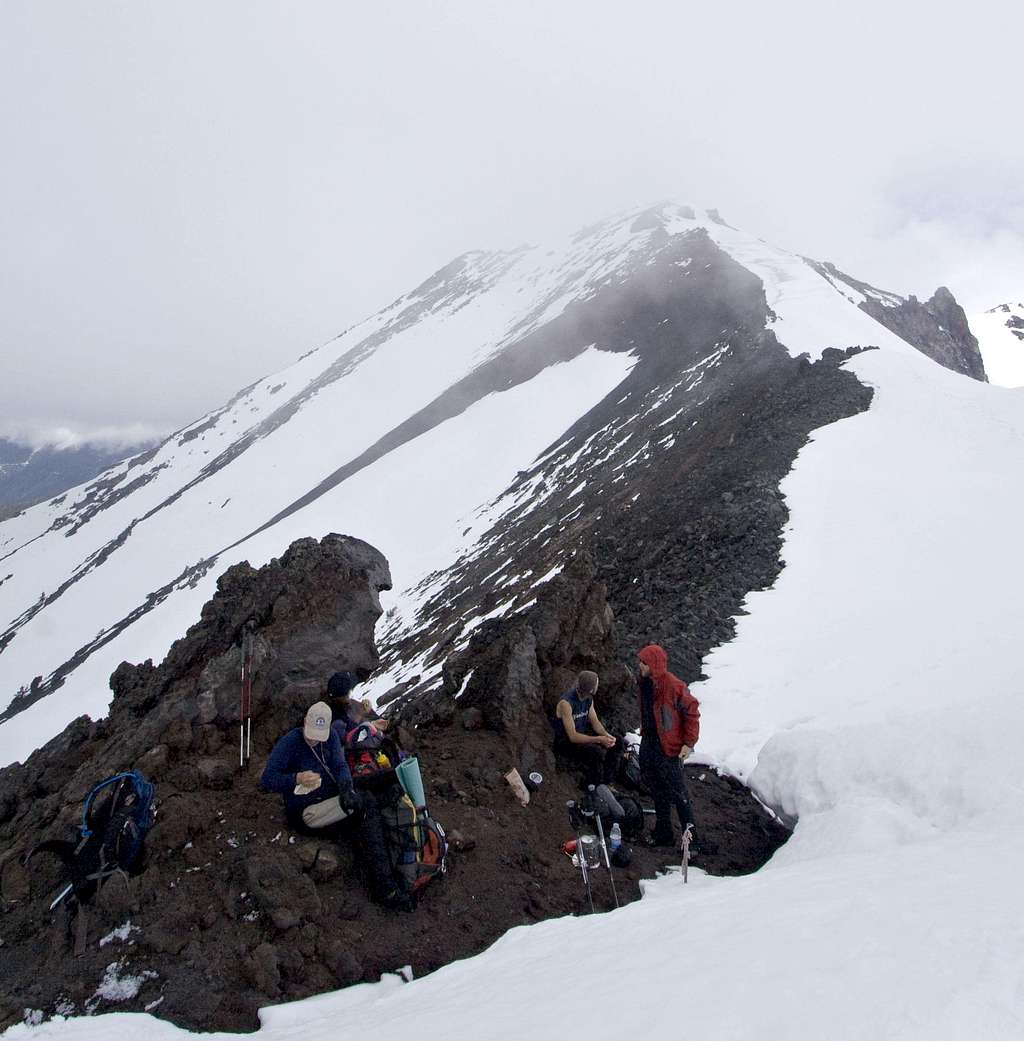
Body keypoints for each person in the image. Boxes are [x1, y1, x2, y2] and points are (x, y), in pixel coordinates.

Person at [260, 701, 410, 909]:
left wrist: (347, 788)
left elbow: (339, 766)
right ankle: (385, 888)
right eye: (310, 733)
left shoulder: (329, 736)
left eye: (318, 735)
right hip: (305, 811)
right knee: (365, 806)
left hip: (330, 792)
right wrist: (296, 778)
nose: (314, 739)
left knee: (381, 780)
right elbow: (267, 779)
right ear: (304, 722)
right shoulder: (290, 743)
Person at [636, 644, 700, 849]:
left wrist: (689, 743)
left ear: (653, 664)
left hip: (669, 748)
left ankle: (691, 842)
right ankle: (663, 832)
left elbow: (692, 711)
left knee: (679, 794)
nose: (640, 665)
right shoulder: (645, 682)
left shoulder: (673, 685)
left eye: (644, 662)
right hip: (650, 742)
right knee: (657, 789)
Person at [552, 670, 623, 788]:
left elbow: (595, 722)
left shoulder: (588, 699)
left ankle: (607, 781)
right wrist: (599, 739)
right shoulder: (566, 703)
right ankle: (590, 785)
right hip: (567, 742)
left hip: (581, 735)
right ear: (591, 689)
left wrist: (607, 736)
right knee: (596, 753)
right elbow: (573, 736)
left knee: (618, 741)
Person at [327, 670, 389, 737]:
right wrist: (362, 714)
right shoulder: (335, 718)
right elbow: (352, 736)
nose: (351, 691)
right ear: (343, 696)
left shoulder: (349, 703)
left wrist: (372, 718)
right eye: (349, 691)